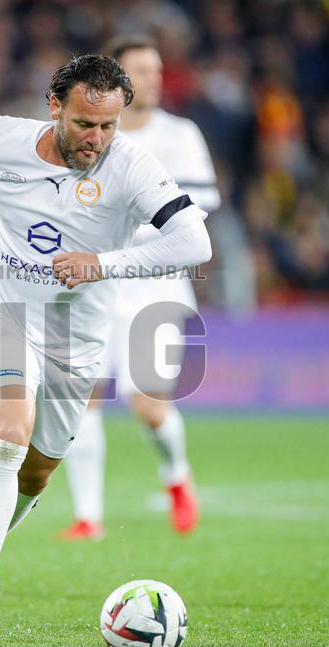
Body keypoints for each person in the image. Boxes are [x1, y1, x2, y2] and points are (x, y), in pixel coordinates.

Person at [0, 54, 212, 636]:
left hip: (76, 335)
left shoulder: (131, 166)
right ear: (55, 107)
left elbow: (193, 241)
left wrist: (104, 264)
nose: (96, 140)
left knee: (37, 474)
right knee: (8, 429)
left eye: (108, 126)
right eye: (84, 124)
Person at [60, 36, 221, 541]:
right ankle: (88, 517)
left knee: (148, 406)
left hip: (157, 287)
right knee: (79, 396)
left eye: (156, 70)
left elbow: (203, 207)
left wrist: (127, 235)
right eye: (142, 72)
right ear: (117, 82)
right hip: (96, 288)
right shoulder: (88, 136)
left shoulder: (181, 134)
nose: (153, 79)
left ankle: (177, 476)